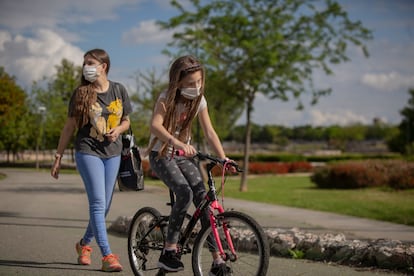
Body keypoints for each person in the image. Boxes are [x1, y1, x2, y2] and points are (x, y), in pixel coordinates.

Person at [147, 55, 233, 275]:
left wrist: (224, 158)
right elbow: (155, 126)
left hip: (184, 155)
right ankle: (169, 251)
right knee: (184, 193)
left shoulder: (200, 100)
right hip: (161, 153)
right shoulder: (166, 97)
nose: (196, 87)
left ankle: (217, 262)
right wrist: (176, 142)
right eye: (190, 83)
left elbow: (210, 132)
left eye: (199, 82)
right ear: (178, 82)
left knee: (203, 199)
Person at [51, 48, 132, 272]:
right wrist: (58, 156)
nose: (86, 66)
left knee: (104, 206)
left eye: (90, 62)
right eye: (85, 62)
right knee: (97, 203)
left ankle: (84, 245)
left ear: (103, 66)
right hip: (87, 151)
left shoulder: (118, 89)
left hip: (113, 152)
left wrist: (118, 130)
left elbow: (126, 120)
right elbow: (69, 127)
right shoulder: (81, 93)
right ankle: (107, 256)